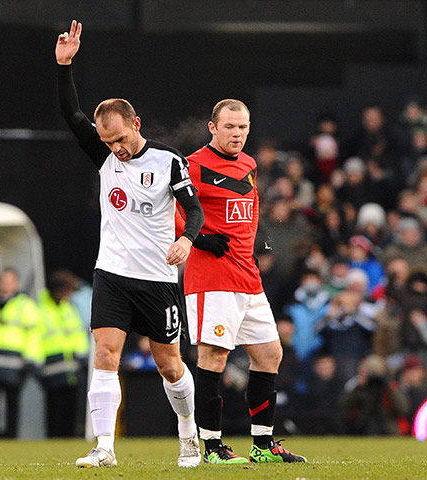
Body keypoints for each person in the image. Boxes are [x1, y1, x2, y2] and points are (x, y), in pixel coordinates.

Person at [55, 20, 204, 468]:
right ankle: (104, 448)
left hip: (157, 278)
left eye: (120, 138)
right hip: (113, 274)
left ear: (135, 124)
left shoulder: (168, 161)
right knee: (105, 354)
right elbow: (71, 115)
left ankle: (187, 435)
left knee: (170, 367)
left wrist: (186, 239)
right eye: (107, 141)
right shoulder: (104, 157)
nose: (114, 148)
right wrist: (64, 68)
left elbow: (194, 211)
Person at [175, 99, 307, 463]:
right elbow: (171, 213)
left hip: (247, 277)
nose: (237, 134)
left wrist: (258, 244)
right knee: (214, 356)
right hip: (212, 278)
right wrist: (200, 239)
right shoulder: (194, 166)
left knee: (269, 354)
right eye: (230, 127)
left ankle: (263, 444)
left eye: (243, 127)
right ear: (212, 128)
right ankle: (213, 447)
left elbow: (247, 215)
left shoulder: (248, 164)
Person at [0, 268, 41, 439]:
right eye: (2, 280)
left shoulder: (25, 304)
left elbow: (33, 334)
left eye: (9, 280)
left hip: (14, 362)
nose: (5, 284)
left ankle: (10, 437)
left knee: (12, 403)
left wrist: (31, 359)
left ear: (16, 283)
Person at [38, 270, 90, 437]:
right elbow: (35, 336)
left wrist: (83, 355)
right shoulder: (41, 308)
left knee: (70, 406)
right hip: (50, 364)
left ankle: (68, 437)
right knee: (53, 405)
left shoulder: (68, 308)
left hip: (70, 365)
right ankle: (53, 436)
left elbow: (77, 333)